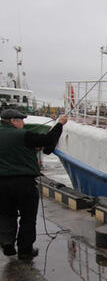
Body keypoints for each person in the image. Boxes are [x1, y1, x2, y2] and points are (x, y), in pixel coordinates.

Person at [0, 109, 68, 260]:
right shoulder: (24, 135)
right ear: (13, 121)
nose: (23, 123)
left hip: (1, 184)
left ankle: (6, 242)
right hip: (24, 183)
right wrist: (60, 124)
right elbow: (48, 140)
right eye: (21, 120)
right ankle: (25, 250)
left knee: (5, 214)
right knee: (28, 216)